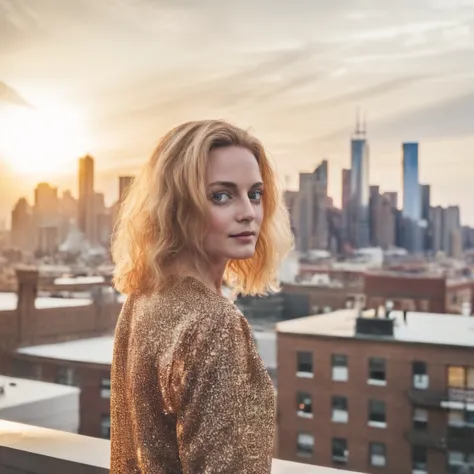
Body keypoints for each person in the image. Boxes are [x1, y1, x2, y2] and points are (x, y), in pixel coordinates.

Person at [110, 119, 293, 473]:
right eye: (221, 196)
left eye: (255, 194)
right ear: (177, 207)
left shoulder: (145, 297)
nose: (248, 213)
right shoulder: (215, 323)